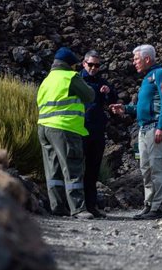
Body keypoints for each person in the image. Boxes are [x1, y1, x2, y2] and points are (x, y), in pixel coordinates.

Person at [110, 44, 162, 220]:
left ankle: (159, 207)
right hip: (143, 128)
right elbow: (143, 106)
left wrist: (161, 126)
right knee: (145, 168)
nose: (133, 62)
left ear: (147, 59)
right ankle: (149, 204)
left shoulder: (160, 74)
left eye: (136, 59)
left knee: (157, 167)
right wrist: (126, 109)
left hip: (154, 128)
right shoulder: (147, 78)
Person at [37, 47, 95, 219]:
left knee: (52, 169)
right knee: (72, 167)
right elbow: (90, 95)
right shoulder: (70, 77)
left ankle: (58, 207)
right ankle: (78, 208)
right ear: (70, 65)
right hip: (65, 128)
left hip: (44, 128)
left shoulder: (46, 80)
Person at [80, 50, 118, 218]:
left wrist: (108, 92)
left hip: (97, 132)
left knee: (93, 169)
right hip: (79, 130)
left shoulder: (102, 83)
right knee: (78, 168)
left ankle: (91, 206)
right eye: (91, 64)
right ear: (84, 64)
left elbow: (113, 101)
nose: (94, 68)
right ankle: (76, 206)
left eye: (97, 65)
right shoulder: (77, 80)